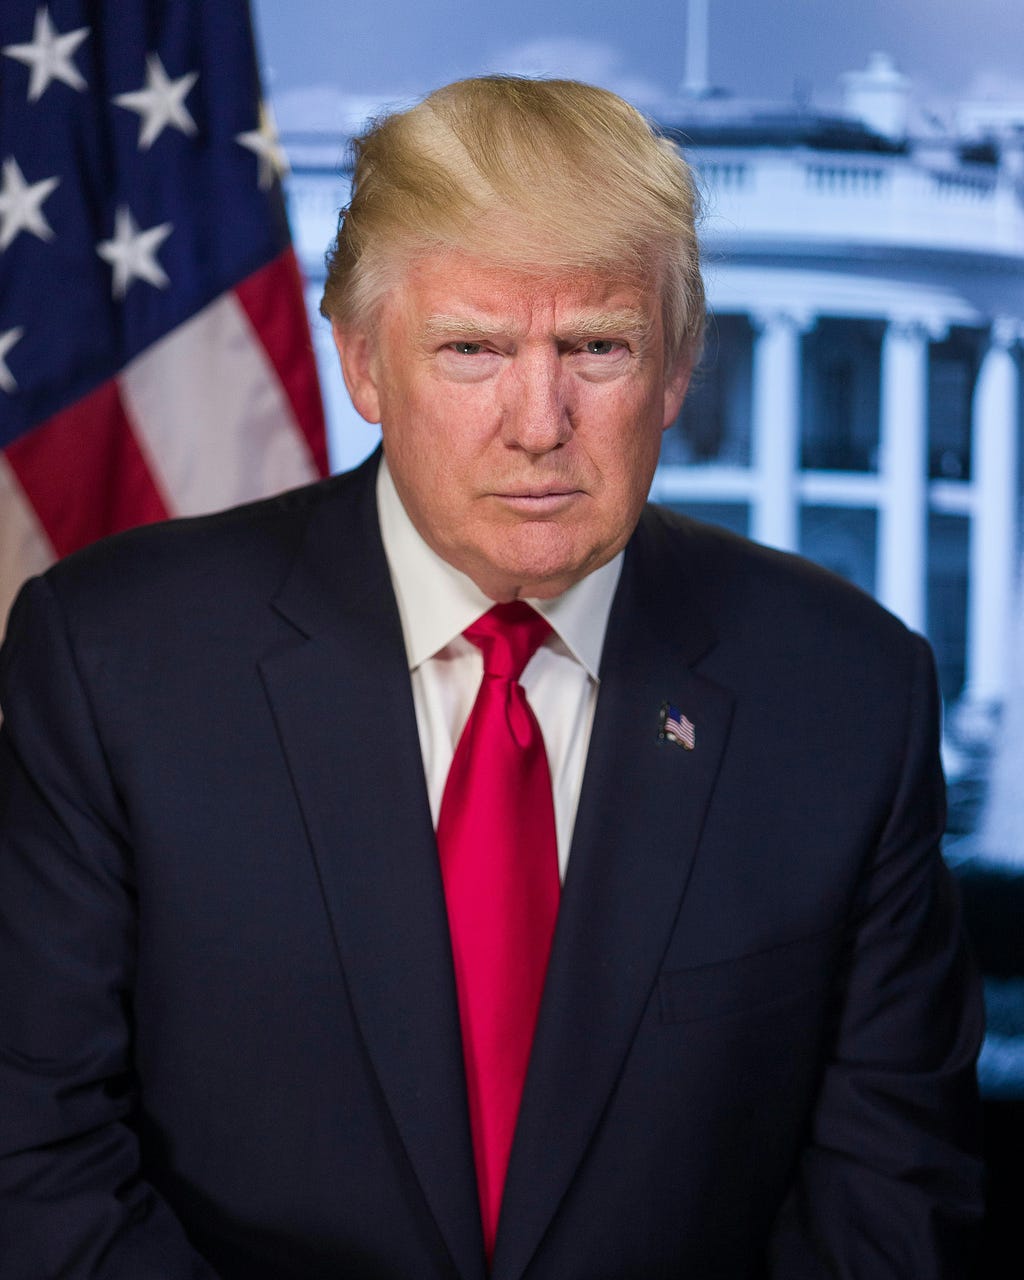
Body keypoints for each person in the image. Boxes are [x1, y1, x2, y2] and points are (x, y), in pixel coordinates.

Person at [0, 76, 984, 1279]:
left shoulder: (848, 693)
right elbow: (34, 1148)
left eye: (597, 347)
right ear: (363, 363)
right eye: (471, 347)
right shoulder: (113, 658)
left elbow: (890, 1190)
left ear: (676, 371)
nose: (538, 420)